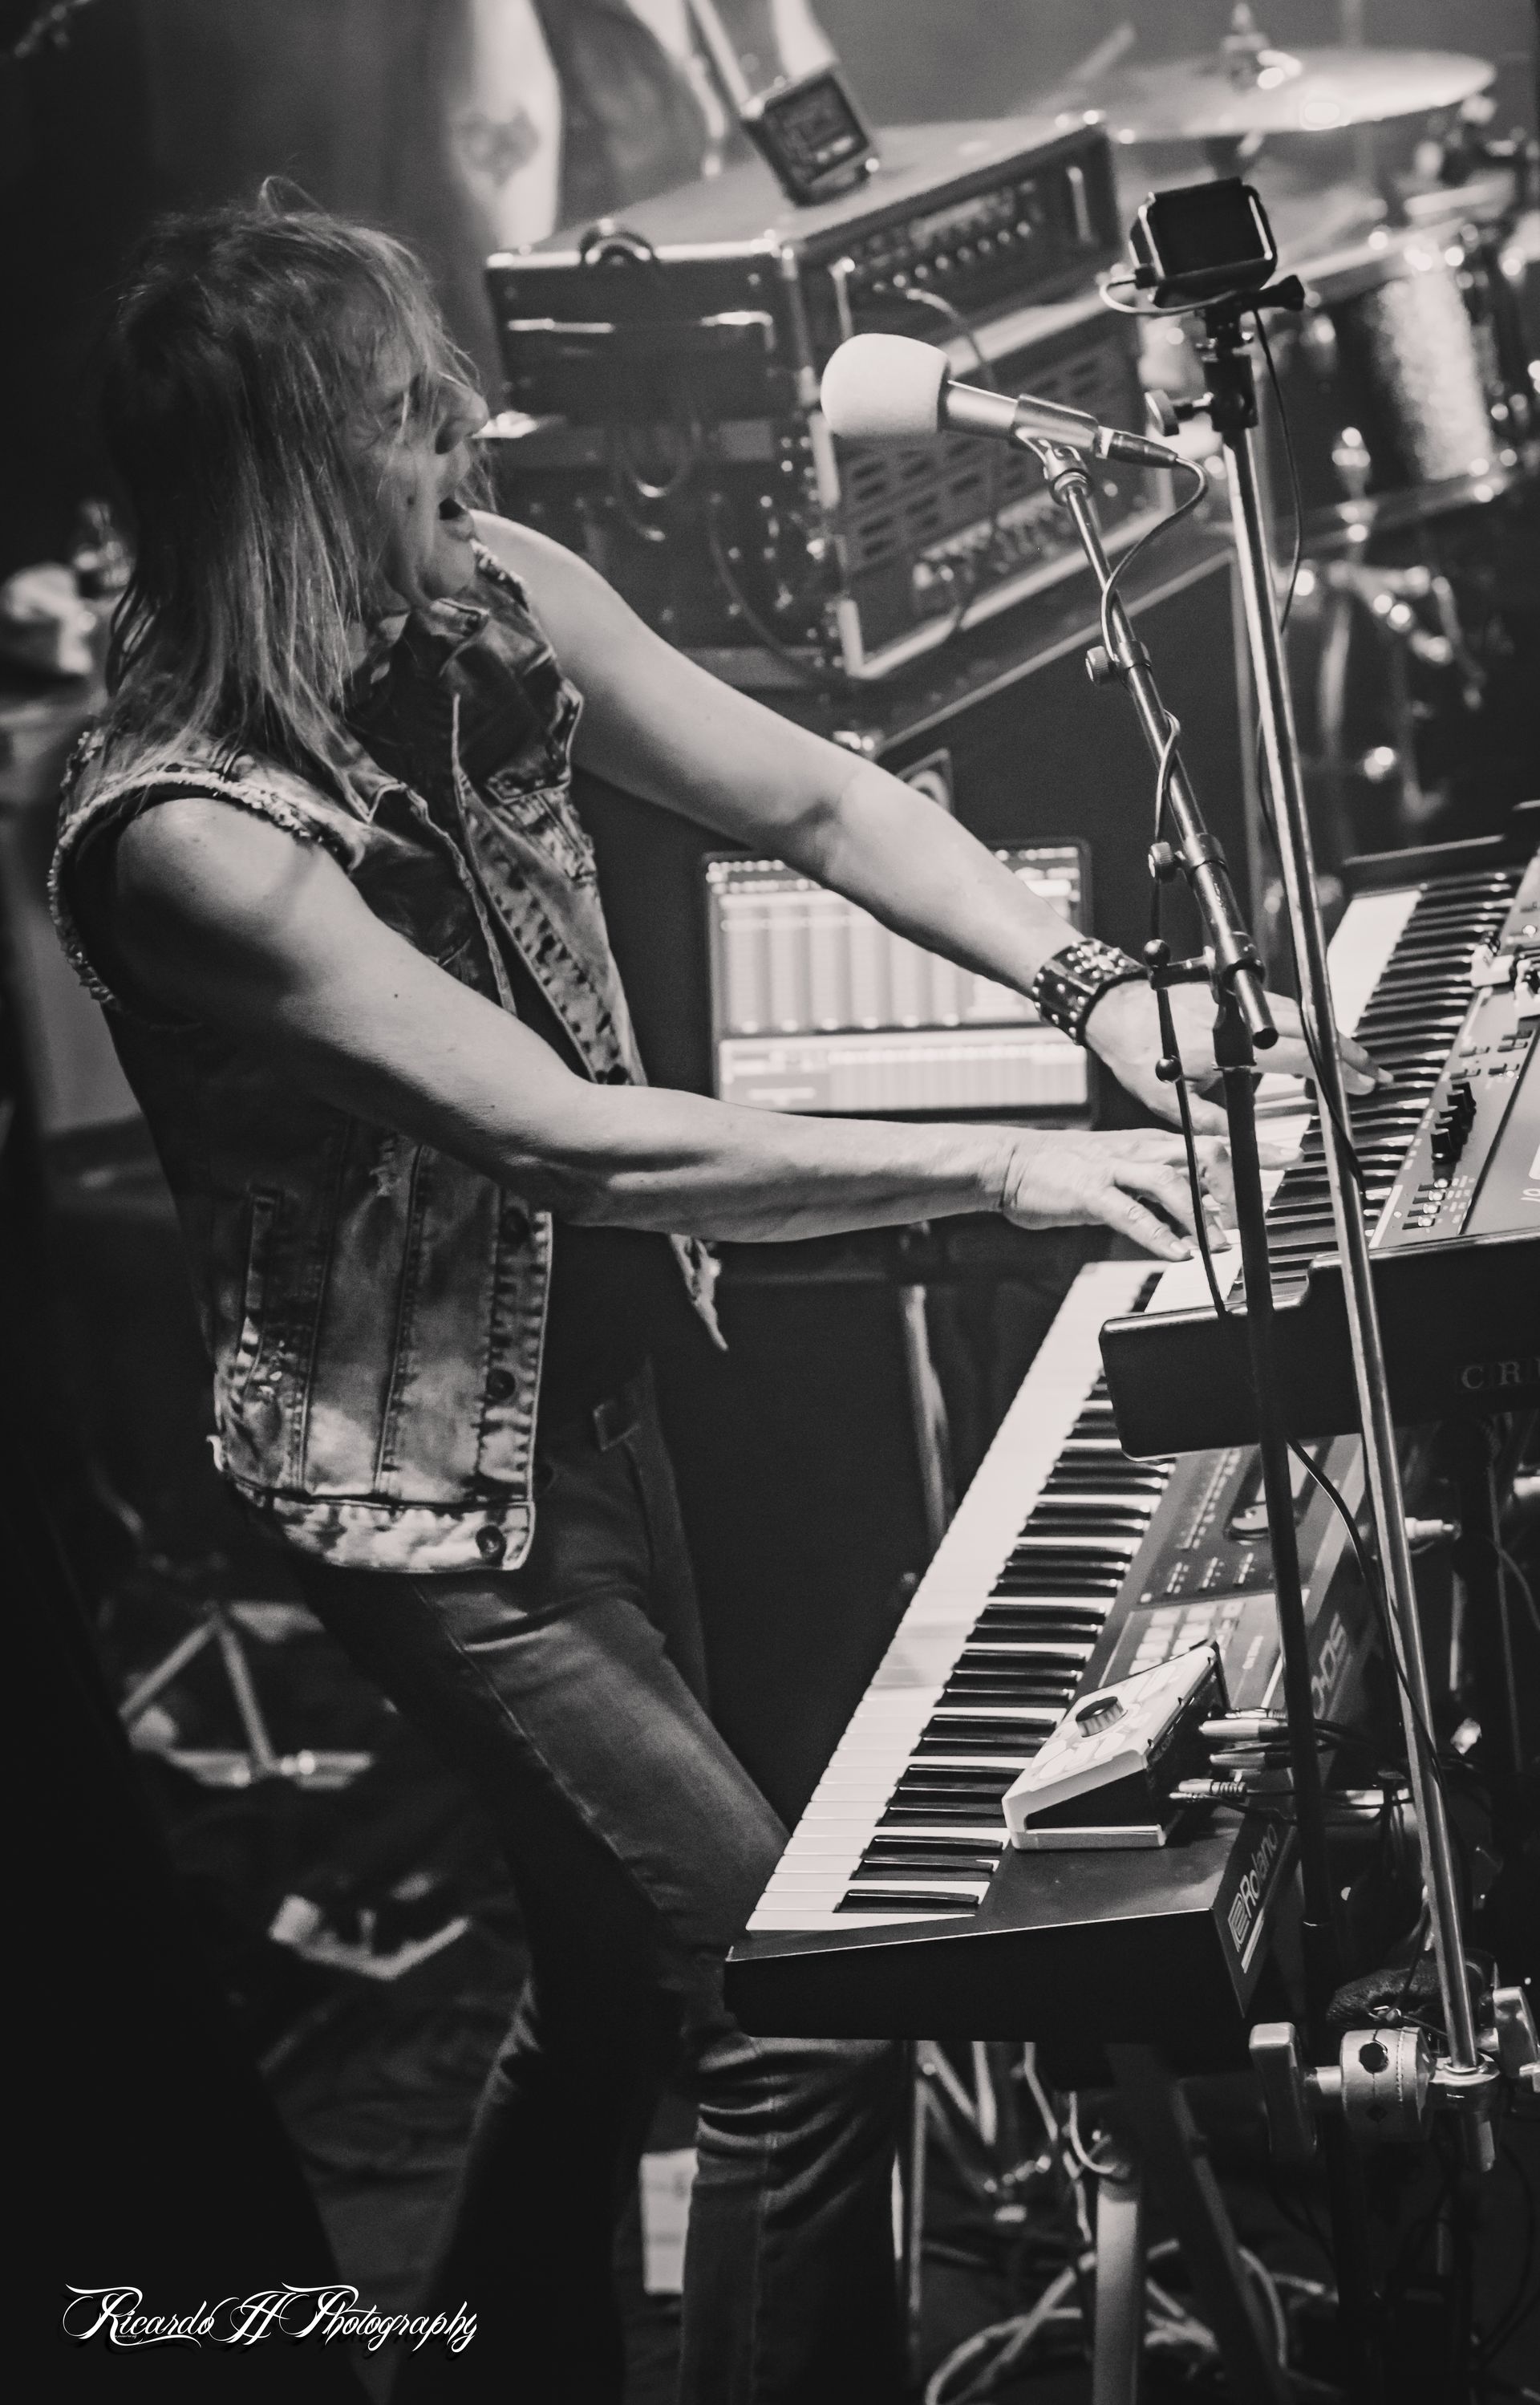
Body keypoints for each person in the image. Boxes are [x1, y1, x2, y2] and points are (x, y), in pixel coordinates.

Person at [51, 198, 1377, 2403]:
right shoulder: (194, 837)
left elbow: (816, 792)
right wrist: (1014, 1155)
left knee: (598, 1982)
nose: (463, 429)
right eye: (402, 415)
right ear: (288, 483)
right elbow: (577, 1144)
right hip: (426, 1510)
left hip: (590, 1407)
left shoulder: (489, 593)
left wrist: (1098, 990)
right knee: (797, 2013)